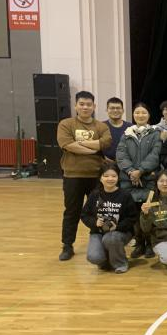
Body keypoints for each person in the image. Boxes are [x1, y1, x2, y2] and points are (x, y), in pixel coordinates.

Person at [56, 91, 112, 261]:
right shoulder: (66, 124)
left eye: (89, 104)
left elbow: (106, 142)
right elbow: (67, 144)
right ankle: (67, 245)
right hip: (73, 176)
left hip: (96, 176)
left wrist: (79, 143)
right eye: (81, 104)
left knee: (100, 210)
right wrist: (93, 148)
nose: (85, 107)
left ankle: (101, 242)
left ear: (94, 106)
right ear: (76, 106)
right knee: (72, 211)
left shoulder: (101, 126)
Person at [116, 102, 163, 258]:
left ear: (149, 115)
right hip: (129, 180)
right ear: (133, 115)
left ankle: (150, 244)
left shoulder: (155, 133)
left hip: (148, 179)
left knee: (149, 212)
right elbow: (121, 155)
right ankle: (139, 243)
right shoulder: (126, 134)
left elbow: (155, 155)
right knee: (134, 214)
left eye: (143, 112)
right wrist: (131, 172)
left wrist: (140, 171)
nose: (140, 115)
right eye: (137, 112)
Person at [81, 162, 138, 273]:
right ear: (100, 178)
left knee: (110, 239)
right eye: (106, 176)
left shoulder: (125, 195)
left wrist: (117, 227)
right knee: (93, 257)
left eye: (113, 176)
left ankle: (120, 263)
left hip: (120, 232)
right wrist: (95, 223)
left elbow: (132, 217)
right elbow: (84, 215)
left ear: (118, 177)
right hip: (98, 232)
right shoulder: (95, 195)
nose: (110, 179)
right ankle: (105, 261)